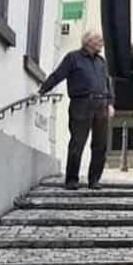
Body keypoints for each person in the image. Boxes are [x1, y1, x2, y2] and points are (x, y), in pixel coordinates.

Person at [38, 30, 115, 189]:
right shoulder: (73, 58)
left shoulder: (102, 62)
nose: (101, 41)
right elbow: (58, 75)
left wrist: (110, 104)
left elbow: (108, 84)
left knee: (100, 145)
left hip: (101, 105)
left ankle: (94, 180)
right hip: (81, 104)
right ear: (88, 42)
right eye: (98, 39)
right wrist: (42, 90)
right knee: (77, 143)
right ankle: (72, 180)